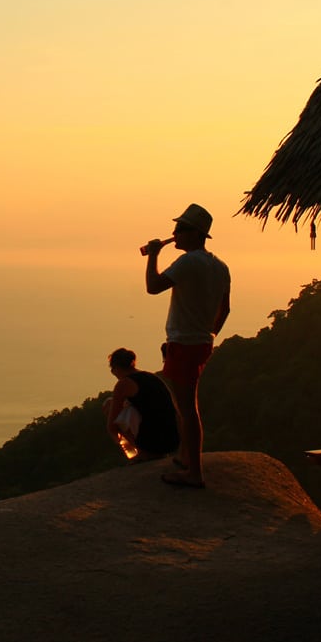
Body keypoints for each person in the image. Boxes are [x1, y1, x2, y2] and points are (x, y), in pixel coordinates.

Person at [143, 203, 230, 488]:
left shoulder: (189, 262)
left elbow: (153, 286)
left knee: (187, 408)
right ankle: (184, 457)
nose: (174, 233)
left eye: (180, 228)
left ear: (195, 233)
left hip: (184, 343)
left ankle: (194, 473)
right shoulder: (220, 267)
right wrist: (209, 335)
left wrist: (153, 255)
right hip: (201, 342)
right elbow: (225, 309)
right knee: (184, 404)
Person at [103, 348, 180, 462]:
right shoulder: (151, 377)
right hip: (173, 440)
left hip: (153, 443)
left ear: (117, 368)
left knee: (108, 405)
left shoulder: (123, 384)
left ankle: (142, 453)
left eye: (112, 369)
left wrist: (122, 442)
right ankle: (147, 451)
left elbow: (111, 426)